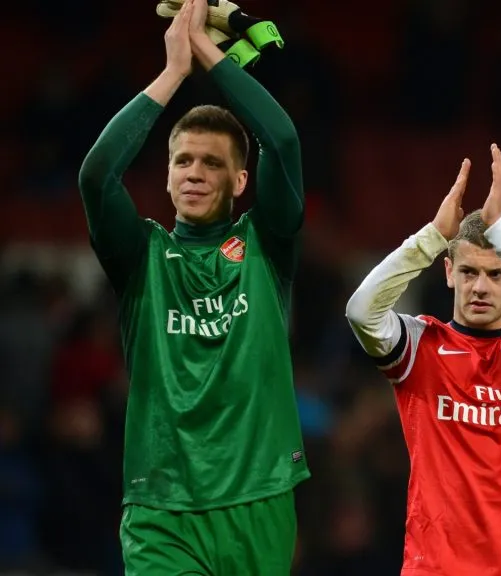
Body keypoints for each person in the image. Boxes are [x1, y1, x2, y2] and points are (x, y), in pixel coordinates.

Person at [77, 1, 307, 573]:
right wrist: (173, 71)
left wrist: (209, 54)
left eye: (211, 162)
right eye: (183, 161)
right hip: (162, 505)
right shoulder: (140, 254)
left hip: (260, 494)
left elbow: (282, 141)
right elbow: (96, 175)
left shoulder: (266, 244)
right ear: (169, 175)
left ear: (239, 179)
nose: (195, 172)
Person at [345, 144, 501, 575]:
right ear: (448, 272)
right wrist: (432, 238)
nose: (480, 287)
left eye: (496, 274)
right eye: (469, 272)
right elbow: (361, 312)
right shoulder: (422, 346)